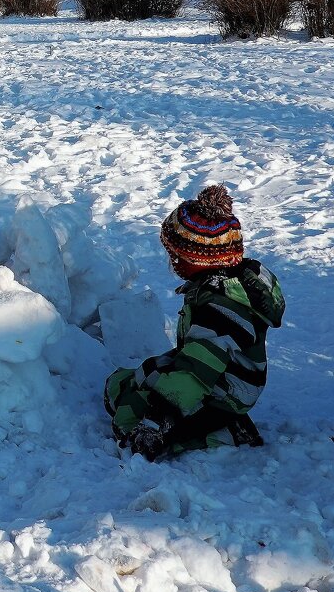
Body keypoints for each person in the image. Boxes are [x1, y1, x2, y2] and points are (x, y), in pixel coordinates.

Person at [104, 185, 286, 461]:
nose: (173, 262)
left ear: (201, 260)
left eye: (177, 256)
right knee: (123, 384)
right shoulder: (220, 286)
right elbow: (198, 358)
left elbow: (195, 375)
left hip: (222, 392)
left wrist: (155, 422)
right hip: (213, 371)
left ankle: (229, 431)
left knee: (128, 420)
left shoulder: (219, 309)